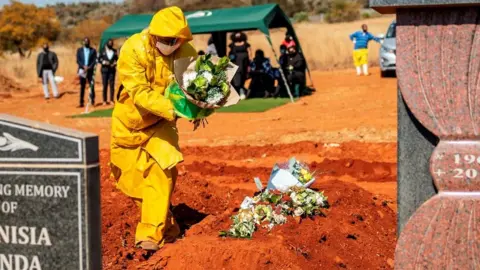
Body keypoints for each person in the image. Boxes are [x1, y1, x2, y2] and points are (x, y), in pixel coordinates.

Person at [110, 6, 198, 252]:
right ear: (154, 35)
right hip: (130, 124)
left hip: (162, 124)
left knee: (163, 170)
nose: (173, 44)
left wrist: (200, 105)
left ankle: (149, 235)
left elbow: (193, 85)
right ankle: (169, 228)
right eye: (168, 40)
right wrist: (173, 108)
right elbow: (139, 92)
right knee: (133, 183)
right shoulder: (134, 48)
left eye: (177, 40)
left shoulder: (186, 51)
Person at [228, 31, 251, 100]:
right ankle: (241, 92)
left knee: (244, 77)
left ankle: (243, 91)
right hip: (235, 64)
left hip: (245, 64)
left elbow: (250, 53)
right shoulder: (231, 45)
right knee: (237, 79)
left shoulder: (246, 44)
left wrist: (250, 63)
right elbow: (228, 54)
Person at [76, 37, 97, 107]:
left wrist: (89, 67)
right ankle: (81, 102)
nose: (86, 42)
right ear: (83, 42)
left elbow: (95, 60)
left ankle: (92, 101)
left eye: (87, 41)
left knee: (91, 85)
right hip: (82, 70)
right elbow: (78, 60)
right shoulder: (79, 50)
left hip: (90, 70)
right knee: (82, 86)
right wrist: (83, 66)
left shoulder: (93, 50)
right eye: (85, 41)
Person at [98, 39, 118, 105]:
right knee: (105, 85)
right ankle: (104, 100)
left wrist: (115, 63)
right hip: (104, 70)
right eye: (109, 43)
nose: (110, 44)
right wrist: (104, 62)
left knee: (112, 85)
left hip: (112, 70)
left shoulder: (114, 51)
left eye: (111, 43)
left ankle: (111, 100)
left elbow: (117, 60)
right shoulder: (102, 51)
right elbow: (99, 59)